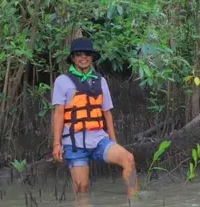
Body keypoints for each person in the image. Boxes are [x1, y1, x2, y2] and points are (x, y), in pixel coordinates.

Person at [52, 39, 138, 197]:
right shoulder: (62, 81)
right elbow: (58, 113)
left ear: (92, 57)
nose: (83, 57)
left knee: (129, 159)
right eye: (79, 54)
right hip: (74, 144)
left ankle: (134, 202)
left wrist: (113, 141)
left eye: (87, 54)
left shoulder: (101, 81)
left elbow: (107, 113)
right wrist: (57, 144)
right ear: (73, 58)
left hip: (99, 139)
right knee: (82, 190)